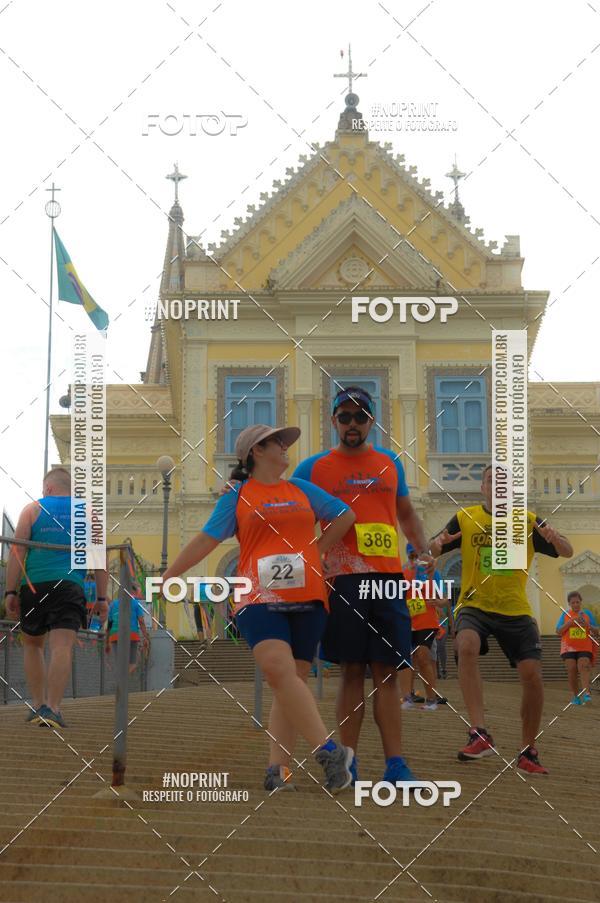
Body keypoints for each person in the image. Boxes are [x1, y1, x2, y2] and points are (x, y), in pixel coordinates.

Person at [160, 424, 357, 794]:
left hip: (309, 595)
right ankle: (330, 752)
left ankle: (277, 770)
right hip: (257, 596)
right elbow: (206, 539)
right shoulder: (237, 496)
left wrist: (316, 550)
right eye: (277, 443)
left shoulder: (300, 488)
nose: (285, 449)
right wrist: (169, 575)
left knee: (289, 684)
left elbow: (345, 515)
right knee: (278, 671)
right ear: (256, 452)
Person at [292, 386, 434, 786]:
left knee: (387, 672)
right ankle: (348, 764)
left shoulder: (390, 463)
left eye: (360, 417)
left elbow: (405, 513)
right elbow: (287, 506)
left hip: (388, 579)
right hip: (343, 580)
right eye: (344, 416)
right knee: (352, 671)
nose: (352, 424)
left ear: (371, 421)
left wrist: (422, 549)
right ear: (334, 421)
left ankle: (395, 766)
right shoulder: (312, 468)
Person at [430, 463, 573, 774]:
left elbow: (567, 551)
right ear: (483, 488)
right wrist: (437, 545)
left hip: (515, 608)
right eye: (492, 481)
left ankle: (527, 751)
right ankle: (479, 733)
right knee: (465, 644)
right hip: (474, 603)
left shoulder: (528, 520)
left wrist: (555, 535)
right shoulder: (466, 518)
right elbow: (433, 546)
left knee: (532, 675)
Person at [4, 467, 108, 728]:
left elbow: (17, 552)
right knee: (61, 646)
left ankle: (38, 704)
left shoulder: (32, 509)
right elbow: (100, 559)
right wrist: (103, 598)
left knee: (33, 645)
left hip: (35, 585)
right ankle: (52, 708)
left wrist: (10, 592)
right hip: (69, 586)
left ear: (48, 488)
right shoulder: (89, 513)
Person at [399, 543, 445, 711]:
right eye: (412, 556)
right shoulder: (402, 573)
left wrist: (438, 602)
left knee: (423, 655)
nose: (415, 560)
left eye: (418, 556)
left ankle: (432, 699)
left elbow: (445, 599)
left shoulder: (433, 573)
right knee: (407, 660)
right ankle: (407, 697)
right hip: (407, 621)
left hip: (427, 622)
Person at [555, 591, 599, 705]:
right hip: (568, 648)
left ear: (581, 602)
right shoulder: (565, 614)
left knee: (583, 666)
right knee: (572, 669)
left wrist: (588, 626)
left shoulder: (587, 614)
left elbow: (597, 630)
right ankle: (576, 696)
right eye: (573, 602)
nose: (575, 604)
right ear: (569, 604)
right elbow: (558, 631)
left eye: (577, 602)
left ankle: (586, 693)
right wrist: (570, 622)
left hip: (584, 646)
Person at [105, 581, 150, 674]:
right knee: (132, 663)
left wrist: (107, 642)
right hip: (131, 635)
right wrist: (145, 636)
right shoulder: (135, 603)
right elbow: (141, 621)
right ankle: (124, 678)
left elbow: (109, 624)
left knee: (119, 662)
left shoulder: (113, 604)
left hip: (115, 635)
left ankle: (121, 679)